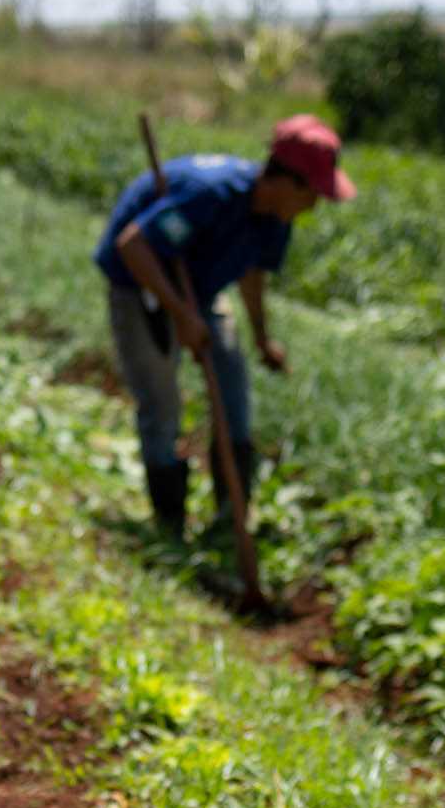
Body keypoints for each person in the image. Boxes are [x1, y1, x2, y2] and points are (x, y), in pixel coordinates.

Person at [92, 116, 355, 536]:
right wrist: (180, 314)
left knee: (233, 389)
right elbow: (133, 246)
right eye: (312, 193)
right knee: (162, 403)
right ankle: (170, 525)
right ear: (286, 181)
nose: (313, 206)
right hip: (140, 284)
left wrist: (263, 339)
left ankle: (230, 520)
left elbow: (251, 274)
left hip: (201, 290)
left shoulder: (275, 219)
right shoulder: (208, 196)